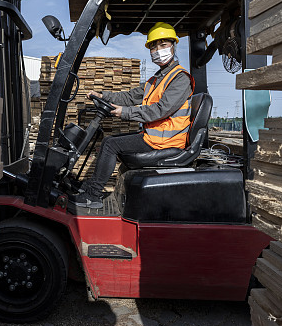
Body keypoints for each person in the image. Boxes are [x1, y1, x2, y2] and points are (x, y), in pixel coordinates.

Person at [74, 22, 195, 208]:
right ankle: (91, 187)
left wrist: (124, 113)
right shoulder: (156, 79)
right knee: (108, 141)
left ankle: (94, 196)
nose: (157, 50)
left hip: (166, 142)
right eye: (154, 46)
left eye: (163, 45)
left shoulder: (180, 78)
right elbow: (130, 96)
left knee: (111, 145)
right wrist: (103, 95)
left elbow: (161, 109)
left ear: (173, 46)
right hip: (154, 137)